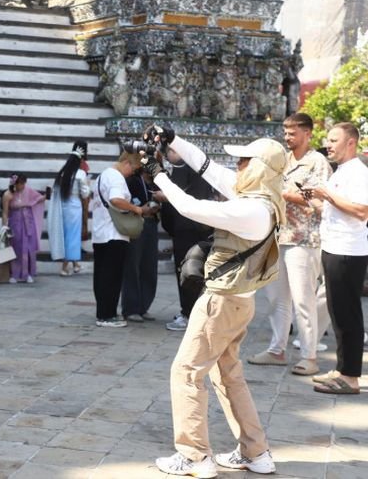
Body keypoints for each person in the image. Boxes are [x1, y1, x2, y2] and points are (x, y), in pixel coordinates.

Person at [144, 126, 284, 477]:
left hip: (221, 303)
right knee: (228, 375)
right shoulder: (263, 200)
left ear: (259, 168)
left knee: (186, 372)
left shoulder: (252, 209)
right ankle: (256, 452)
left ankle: (194, 456)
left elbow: (189, 207)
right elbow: (207, 166)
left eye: (244, 161)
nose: (237, 165)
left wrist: (159, 175)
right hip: (238, 302)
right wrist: (173, 139)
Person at [247, 113, 332, 376]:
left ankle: (309, 356)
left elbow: (321, 199)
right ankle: (277, 350)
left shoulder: (317, 162)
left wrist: (285, 194)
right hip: (277, 236)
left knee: (303, 301)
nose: (287, 137)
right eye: (285, 132)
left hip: (304, 239)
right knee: (276, 298)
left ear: (308, 133)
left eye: (293, 133)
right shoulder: (281, 160)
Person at [304, 122, 368, 394]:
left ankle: (351, 377)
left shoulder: (359, 173)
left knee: (348, 314)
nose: (327, 145)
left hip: (348, 251)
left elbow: (361, 211)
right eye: (328, 140)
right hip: (333, 247)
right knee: (337, 312)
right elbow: (334, 209)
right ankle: (343, 369)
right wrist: (313, 199)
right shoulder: (340, 171)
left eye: (333, 140)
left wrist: (327, 195)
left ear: (351, 142)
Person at [161, 147, 215, 331]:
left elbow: (175, 195)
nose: (168, 156)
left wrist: (163, 196)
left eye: (169, 152)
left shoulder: (182, 169)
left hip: (186, 228)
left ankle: (188, 313)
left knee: (186, 272)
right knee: (197, 270)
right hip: (200, 227)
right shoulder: (201, 170)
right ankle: (196, 313)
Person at [91, 151, 145, 328]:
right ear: (127, 163)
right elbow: (116, 199)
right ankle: (108, 314)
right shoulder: (116, 178)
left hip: (100, 232)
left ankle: (102, 312)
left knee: (101, 275)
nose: (132, 174)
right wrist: (135, 209)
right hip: (114, 233)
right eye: (134, 169)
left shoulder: (102, 176)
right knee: (112, 276)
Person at [120, 170, 160, 322]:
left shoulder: (156, 183)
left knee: (149, 266)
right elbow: (125, 203)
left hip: (152, 223)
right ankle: (131, 308)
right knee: (132, 265)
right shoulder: (132, 181)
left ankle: (144, 306)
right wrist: (142, 208)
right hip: (136, 223)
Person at [48, 141, 91, 276]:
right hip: (75, 206)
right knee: (73, 236)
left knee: (67, 234)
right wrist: (88, 185)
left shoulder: (63, 173)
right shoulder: (81, 174)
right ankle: (65, 267)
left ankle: (76, 264)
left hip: (63, 206)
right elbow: (85, 193)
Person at [0, 173, 46, 283]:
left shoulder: (28, 190)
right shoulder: (8, 195)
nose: (22, 186)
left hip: (28, 221)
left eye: (24, 183)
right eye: (20, 183)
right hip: (15, 222)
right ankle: (14, 274)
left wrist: (47, 195)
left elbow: (38, 199)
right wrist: (4, 226)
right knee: (15, 246)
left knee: (29, 247)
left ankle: (28, 273)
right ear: (14, 184)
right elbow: (5, 212)